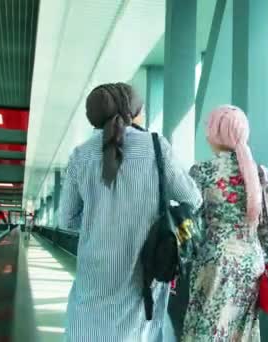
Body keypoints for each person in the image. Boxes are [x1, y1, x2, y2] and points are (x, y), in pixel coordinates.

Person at [58, 82, 202, 342]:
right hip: (142, 270)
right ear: (133, 112)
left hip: (94, 274)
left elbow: (66, 219)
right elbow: (192, 197)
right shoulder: (156, 147)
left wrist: (98, 224)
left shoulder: (80, 155)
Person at [181, 105, 268, 341]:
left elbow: (190, 222)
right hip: (251, 266)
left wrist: (179, 257)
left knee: (205, 330)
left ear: (215, 133)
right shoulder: (262, 174)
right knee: (240, 335)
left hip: (214, 262)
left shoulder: (202, 171)